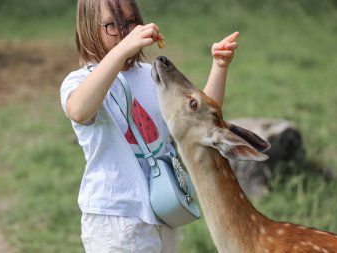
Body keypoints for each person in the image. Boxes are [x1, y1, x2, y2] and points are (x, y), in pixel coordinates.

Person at [60, 0, 239, 252]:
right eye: (112, 25)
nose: (124, 32)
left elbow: (197, 119)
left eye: (131, 22)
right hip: (115, 219)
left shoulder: (151, 75)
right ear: (89, 28)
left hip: (164, 210)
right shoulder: (81, 81)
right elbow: (79, 111)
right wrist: (121, 52)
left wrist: (219, 66)